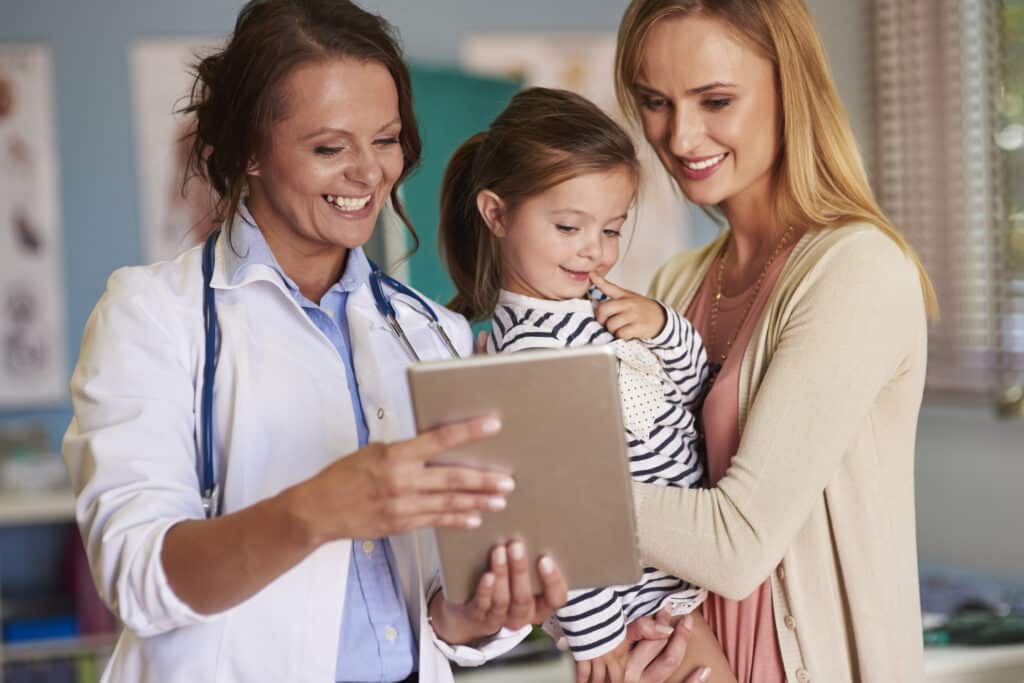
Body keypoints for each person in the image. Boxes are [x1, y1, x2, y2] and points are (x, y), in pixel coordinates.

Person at [61, 1, 570, 681]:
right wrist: (314, 511)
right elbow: (136, 575)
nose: (368, 173)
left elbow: (432, 607)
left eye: (385, 139)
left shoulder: (432, 332)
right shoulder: (152, 315)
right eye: (330, 147)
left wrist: (476, 617)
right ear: (249, 151)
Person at [612, 0, 937, 681]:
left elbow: (736, 543)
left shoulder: (857, 268)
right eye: (656, 102)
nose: (680, 136)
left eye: (716, 99)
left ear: (791, 87)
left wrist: (547, 489)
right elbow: (648, 504)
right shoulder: (676, 284)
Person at [438, 87, 732, 683]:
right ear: (496, 214)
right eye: (569, 226)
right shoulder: (526, 358)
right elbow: (552, 512)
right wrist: (598, 637)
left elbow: (697, 398)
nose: (594, 251)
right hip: (627, 618)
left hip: (681, 589)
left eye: (612, 229)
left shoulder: (605, 310)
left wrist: (664, 326)